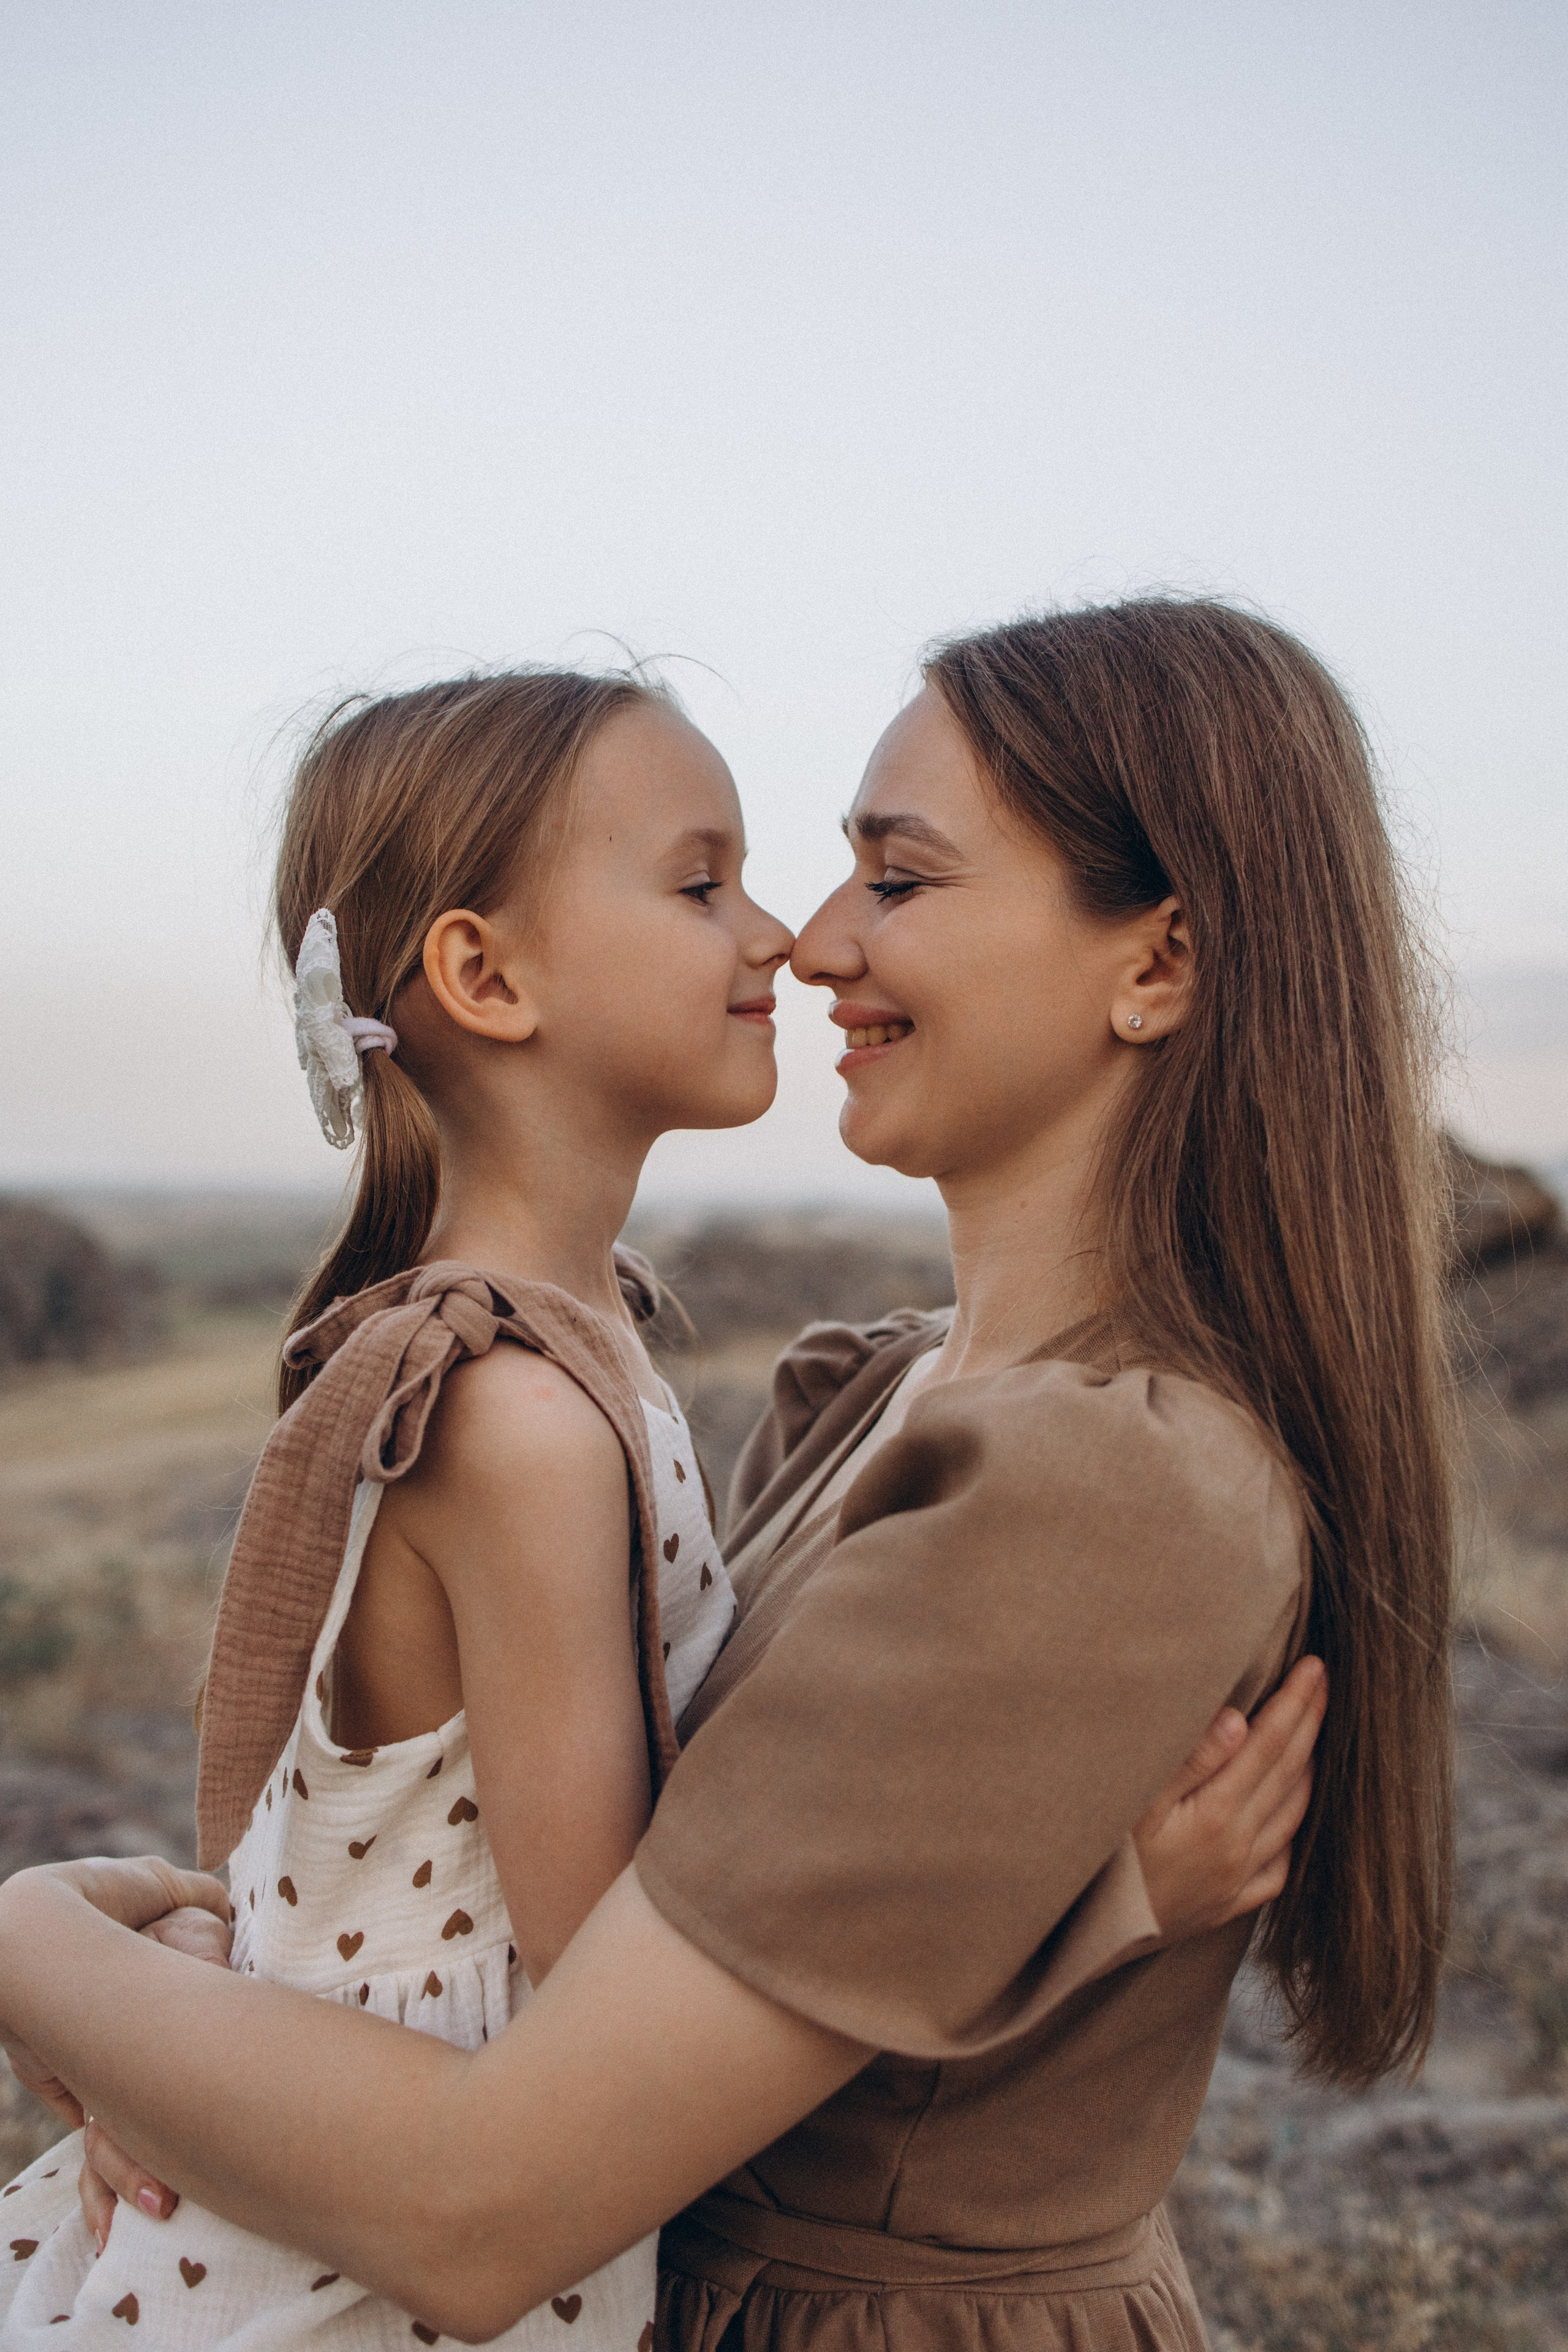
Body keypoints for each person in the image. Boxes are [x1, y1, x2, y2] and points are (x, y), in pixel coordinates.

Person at [0, 598, 1432, 2352]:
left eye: (897, 880)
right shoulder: (887, 1397)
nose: (813, 943)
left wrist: (44, 1955)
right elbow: (608, 1941)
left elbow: (507, 2180)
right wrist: (203, 2054)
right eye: (733, 882)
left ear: (1157, 964)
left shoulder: (1095, 1493)